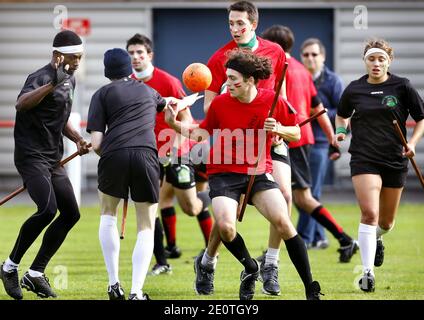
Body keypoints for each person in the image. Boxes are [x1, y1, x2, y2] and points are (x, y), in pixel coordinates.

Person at [166, 49, 322, 300]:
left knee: (283, 223)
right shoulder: (220, 102)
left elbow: (297, 133)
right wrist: (174, 125)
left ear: (250, 80)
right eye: (226, 78)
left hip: (258, 173)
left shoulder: (272, 100)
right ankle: (251, 268)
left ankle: (310, 288)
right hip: (223, 174)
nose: (227, 84)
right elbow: (201, 133)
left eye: (233, 79)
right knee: (227, 227)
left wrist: (279, 127)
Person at [194, 0, 288, 297]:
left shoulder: (275, 52)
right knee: (227, 217)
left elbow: (281, 99)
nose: (235, 29)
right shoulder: (219, 58)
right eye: (231, 23)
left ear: (254, 24)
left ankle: (270, 264)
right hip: (234, 143)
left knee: (285, 197)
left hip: (268, 138)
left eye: (240, 23)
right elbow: (210, 107)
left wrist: (281, 131)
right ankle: (208, 261)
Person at [256, 25, 353, 296]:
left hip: (288, 139)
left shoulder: (276, 67)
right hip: (303, 137)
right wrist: (332, 137)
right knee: (298, 198)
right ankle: (337, 239)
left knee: (298, 198)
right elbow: (317, 107)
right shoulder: (300, 68)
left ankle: (343, 238)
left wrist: (332, 138)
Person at [0, 30, 89, 300]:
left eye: (80, 58)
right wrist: (52, 84)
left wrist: (78, 139)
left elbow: (60, 119)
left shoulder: (70, 80)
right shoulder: (38, 78)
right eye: (74, 58)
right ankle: (9, 267)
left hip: (52, 157)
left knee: (71, 213)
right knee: (47, 209)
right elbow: (20, 104)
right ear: (58, 55)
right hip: (30, 156)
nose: (77, 63)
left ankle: (36, 273)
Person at [87, 48, 179, 300]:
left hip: (114, 155)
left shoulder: (101, 94)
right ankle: (136, 292)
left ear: (107, 71)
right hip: (146, 156)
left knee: (108, 215)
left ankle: (113, 284)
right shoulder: (149, 91)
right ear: (130, 68)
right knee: (146, 225)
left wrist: (112, 155)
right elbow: (170, 104)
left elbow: (96, 143)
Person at [334, 38, 424, 292]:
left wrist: (413, 143)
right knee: (369, 214)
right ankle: (367, 273)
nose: (376, 63)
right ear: (365, 61)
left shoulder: (402, 86)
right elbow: (341, 114)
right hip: (364, 158)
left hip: (395, 159)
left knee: (385, 223)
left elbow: (421, 119)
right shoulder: (354, 89)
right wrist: (341, 131)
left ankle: (377, 240)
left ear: (389, 62)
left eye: (381, 59)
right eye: (371, 59)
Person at [126, 34, 213, 273]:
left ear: (149, 55)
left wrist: (175, 151)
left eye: (139, 53)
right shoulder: (129, 84)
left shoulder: (168, 81)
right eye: (131, 53)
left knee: (192, 207)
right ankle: (162, 261)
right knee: (153, 204)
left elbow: (186, 118)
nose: (135, 57)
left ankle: (217, 197)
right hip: (150, 154)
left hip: (179, 151)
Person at [296, 38, 344, 249]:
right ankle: (320, 236)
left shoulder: (333, 81)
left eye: (314, 54)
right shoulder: (297, 77)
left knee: (310, 192)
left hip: (321, 142)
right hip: (298, 140)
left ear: (323, 57)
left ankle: (303, 239)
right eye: (306, 55)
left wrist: (316, 112)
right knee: (301, 194)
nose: (310, 58)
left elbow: (344, 113)